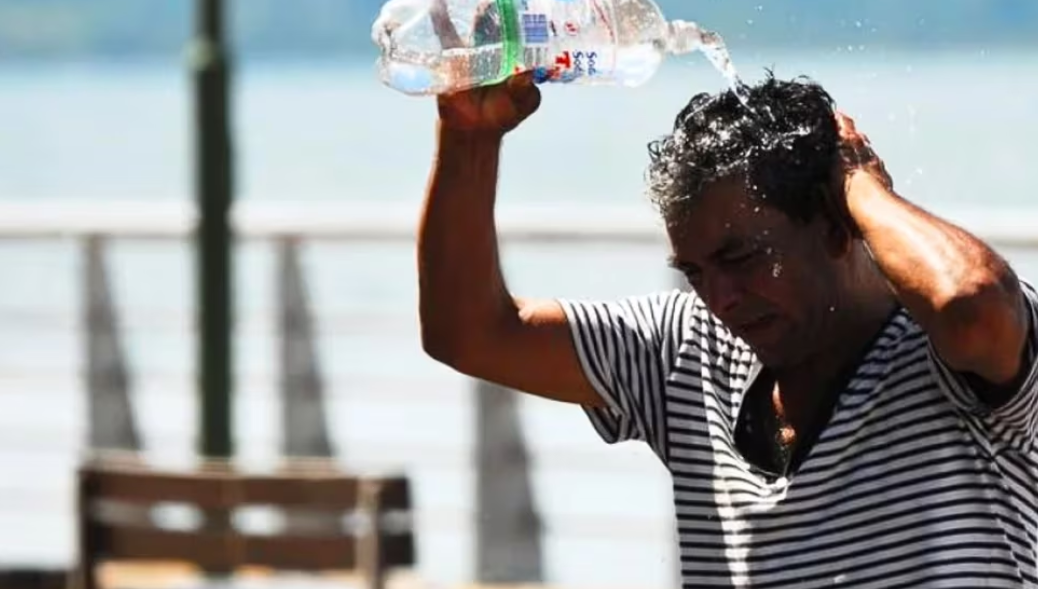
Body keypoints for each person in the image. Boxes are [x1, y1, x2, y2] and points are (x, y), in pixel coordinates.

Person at [416, 68, 1038, 587]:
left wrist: (859, 183)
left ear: (834, 229)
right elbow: (465, 331)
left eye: (742, 260)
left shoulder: (948, 356)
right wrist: (469, 138)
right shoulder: (685, 349)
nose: (720, 299)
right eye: (693, 271)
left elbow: (971, 302)